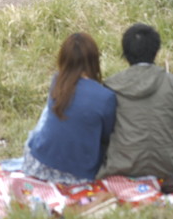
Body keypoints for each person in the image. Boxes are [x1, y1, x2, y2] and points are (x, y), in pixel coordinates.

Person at [101, 23, 173, 181]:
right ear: (156, 51)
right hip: (169, 168)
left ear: (125, 53)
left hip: (121, 166)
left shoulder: (111, 86)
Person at [22, 32, 117, 184]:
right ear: (94, 60)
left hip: (37, 166)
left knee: (49, 111)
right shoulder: (106, 97)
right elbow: (107, 136)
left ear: (63, 58)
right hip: (79, 177)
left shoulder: (57, 81)